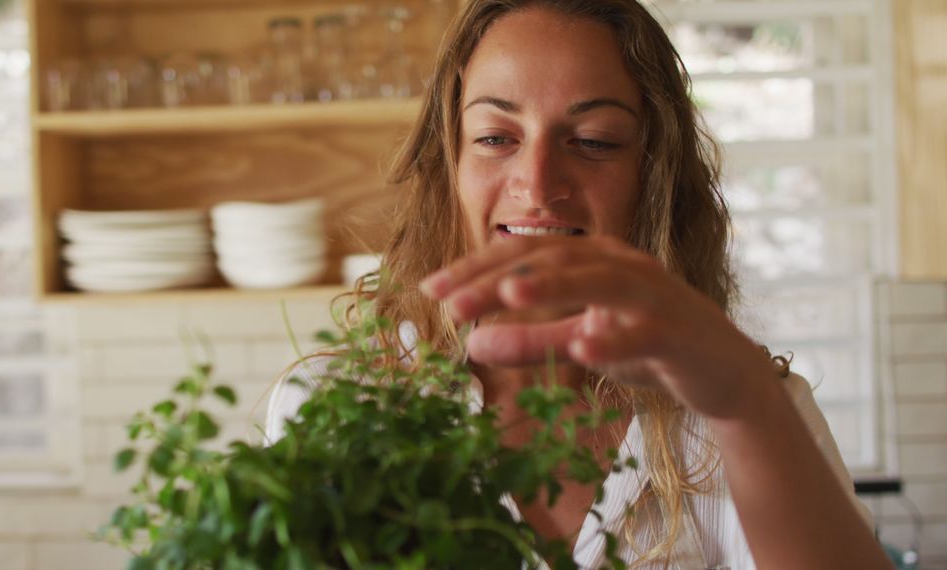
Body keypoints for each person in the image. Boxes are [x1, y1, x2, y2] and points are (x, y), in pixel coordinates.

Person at [267, 0, 892, 567]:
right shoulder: (337, 409)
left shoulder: (749, 406)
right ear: (447, 167)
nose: (537, 186)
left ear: (653, 177)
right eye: (494, 137)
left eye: (593, 142)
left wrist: (750, 409)